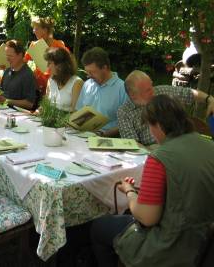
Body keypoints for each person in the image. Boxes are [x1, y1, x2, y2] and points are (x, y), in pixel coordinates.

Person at [90, 94, 214, 267]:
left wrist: (130, 192)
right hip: (205, 241)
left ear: (159, 126)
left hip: (172, 245)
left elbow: (148, 218)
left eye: (149, 126)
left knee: (99, 227)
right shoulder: (209, 145)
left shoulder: (160, 157)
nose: (150, 132)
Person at [118, 70, 214, 145]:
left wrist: (209, 99)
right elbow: (133, 145)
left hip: (180, 142)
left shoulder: (161, 91)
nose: (153, 91)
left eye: (151, 85)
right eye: (148, 90)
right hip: (150, 151)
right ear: (133, 95)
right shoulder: (124, 112)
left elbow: (190, 94)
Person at [75, 47, 128, 137]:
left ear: (105, 68)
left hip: (109, 139)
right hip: (83, 136)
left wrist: (101, 134)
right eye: (87, 72)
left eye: (92, 72)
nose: (88, 76)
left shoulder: (122, 88)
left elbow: (127, 123)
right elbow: (79, 112)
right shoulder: (87, 84)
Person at [24, 17, 69, 95]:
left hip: (54, 86)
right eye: (33, 28)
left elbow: (68, 64)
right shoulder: (34, 45)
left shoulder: (59, 45)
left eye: (36, 28)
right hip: (37, 86)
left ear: (45, 30)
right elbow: (23, 62)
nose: (33, 31)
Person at [0, 40, 37, 110]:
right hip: (3, 111)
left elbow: (29, 104)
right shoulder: (7, 71)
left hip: (18, 116)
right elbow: (1, 91)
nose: (7, 59)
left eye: (10, 56)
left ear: (20, 55)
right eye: (6, 55)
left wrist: (6, 101)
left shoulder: (27, 75)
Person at [44, 47, 83, 112]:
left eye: (50, 63)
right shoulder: (51, 81)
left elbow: (76, 112)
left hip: (66, 121)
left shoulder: (77, 83)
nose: (47, 66)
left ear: (60, 65)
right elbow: (46, 105)